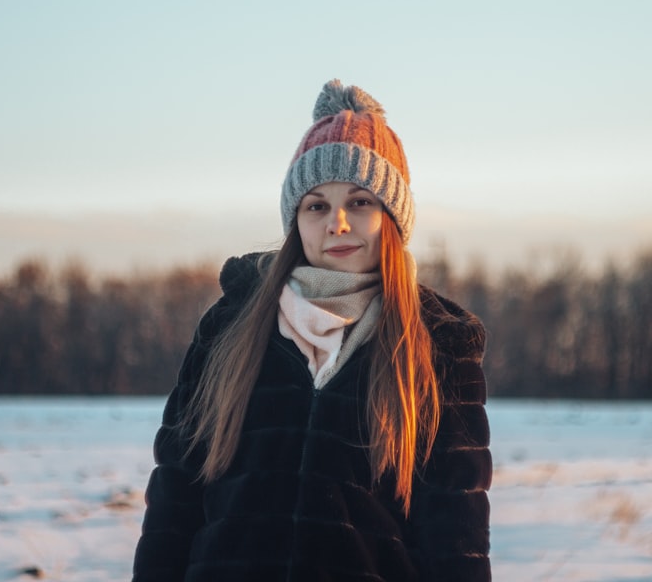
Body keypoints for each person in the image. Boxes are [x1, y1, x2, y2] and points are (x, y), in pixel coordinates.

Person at [132, 79, 491, 582]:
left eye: (360, 202)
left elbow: (457, 534)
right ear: (295, 220)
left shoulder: (439, 345)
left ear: (392, 216)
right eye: (316, 205)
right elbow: (174, 496)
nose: (336, 222)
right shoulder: (231, 327)